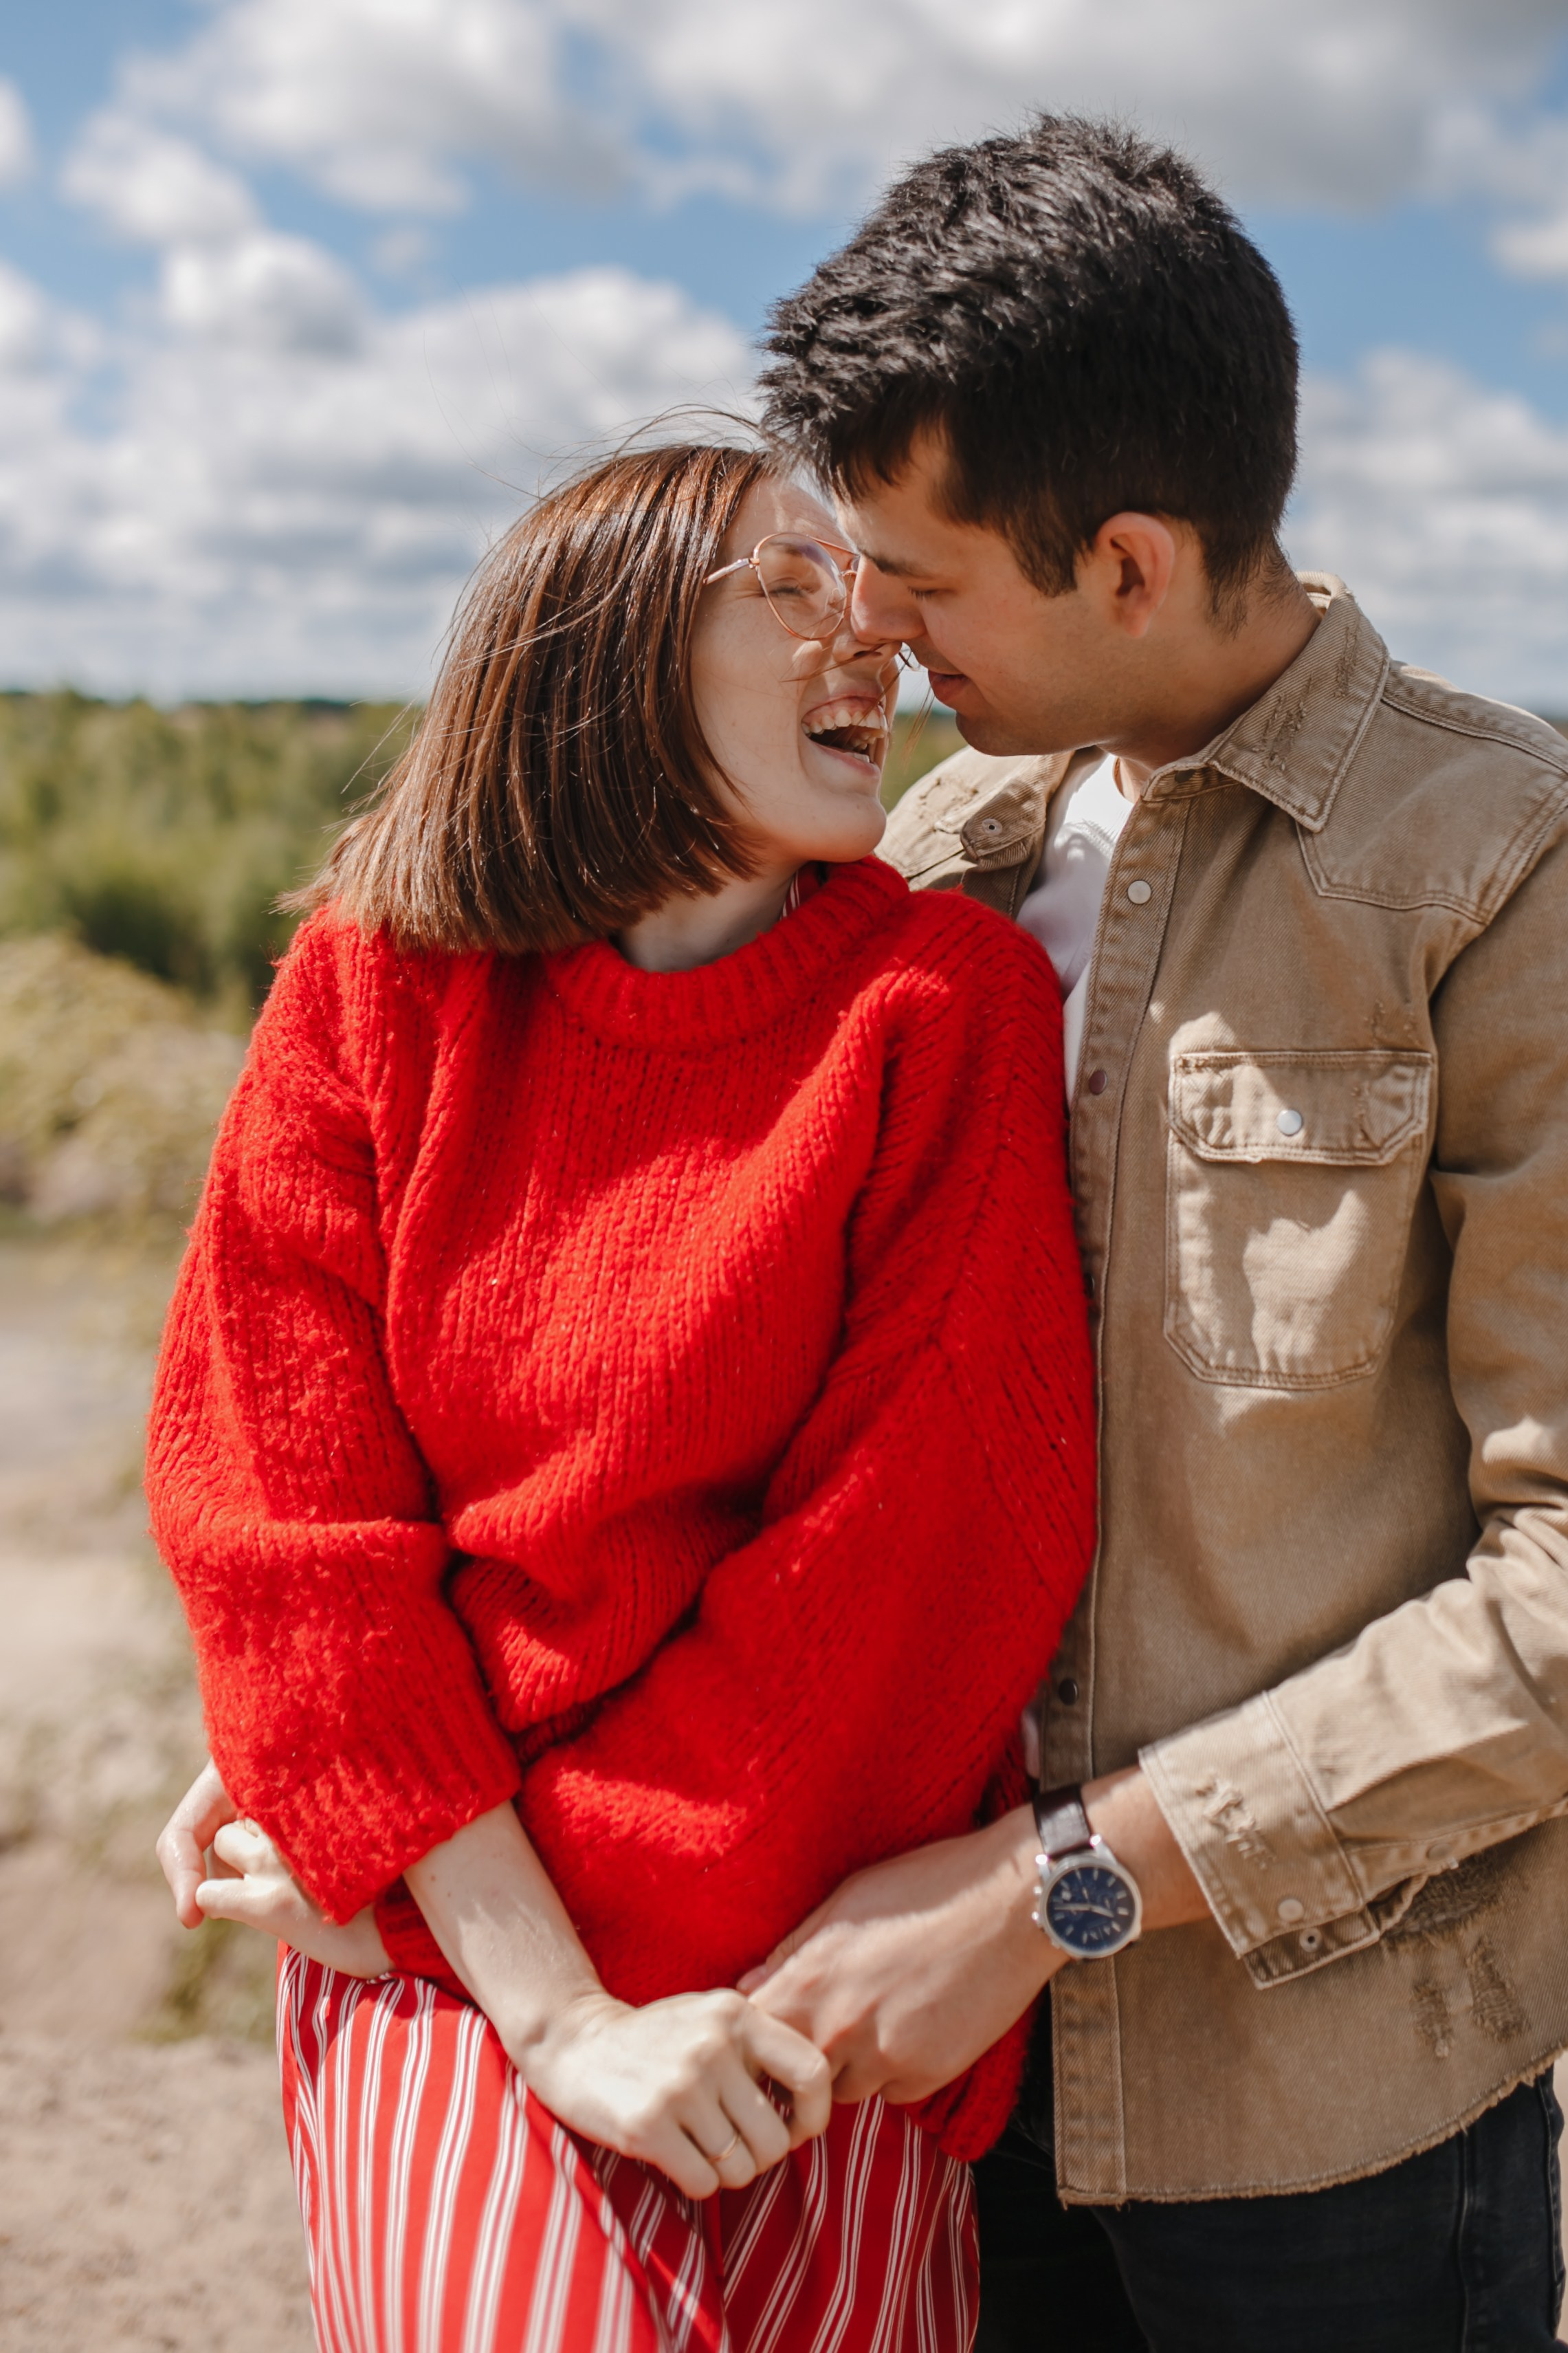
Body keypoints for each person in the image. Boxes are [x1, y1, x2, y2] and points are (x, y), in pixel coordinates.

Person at [742, 116, 1568, 2350]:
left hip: (1331, 2129)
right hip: (930, 2090)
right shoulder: (937, 853)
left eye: (919, 588)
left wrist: (1048, 1896)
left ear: (1121, 560)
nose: (880, 648)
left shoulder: (1504, 871)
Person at [144, 439, 1098, 2353]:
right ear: (602, 657)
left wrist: (382, 1869)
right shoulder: (370, 991)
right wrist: (541, 2001)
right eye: (786, 589)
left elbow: (905, 1587)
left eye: (874, 596)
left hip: (781, 1945)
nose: (872, 644)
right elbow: (284, 1535)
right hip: (470, 1930)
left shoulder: (938, 1006)